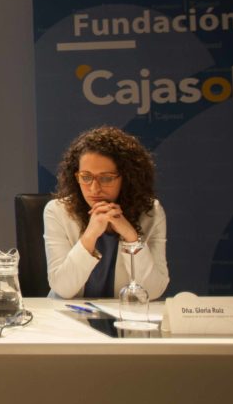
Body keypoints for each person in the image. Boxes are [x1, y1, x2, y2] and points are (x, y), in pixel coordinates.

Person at [44, 125, 169, 299]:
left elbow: (153, 291)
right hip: (68, 317)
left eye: (106, 178)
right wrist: (90, 235)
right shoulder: (57, 211)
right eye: (86, 177)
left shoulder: (151, 212)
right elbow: (63, 288)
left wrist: (131, 236)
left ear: (127, 178)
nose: (94, 189)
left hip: (126, 316)